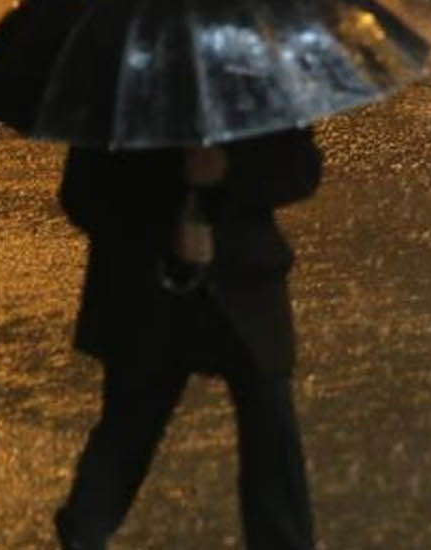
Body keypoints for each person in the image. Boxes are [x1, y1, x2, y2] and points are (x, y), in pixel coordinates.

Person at [52, 126, 322, 550]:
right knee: (129, 426)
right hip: (146, 291)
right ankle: (82, 533)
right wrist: (169, 209)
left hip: (243, 284)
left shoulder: (248, 91)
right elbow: (81, 194)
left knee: (270, 427)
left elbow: (301, 169)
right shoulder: (125, 103)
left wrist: (225, 173)